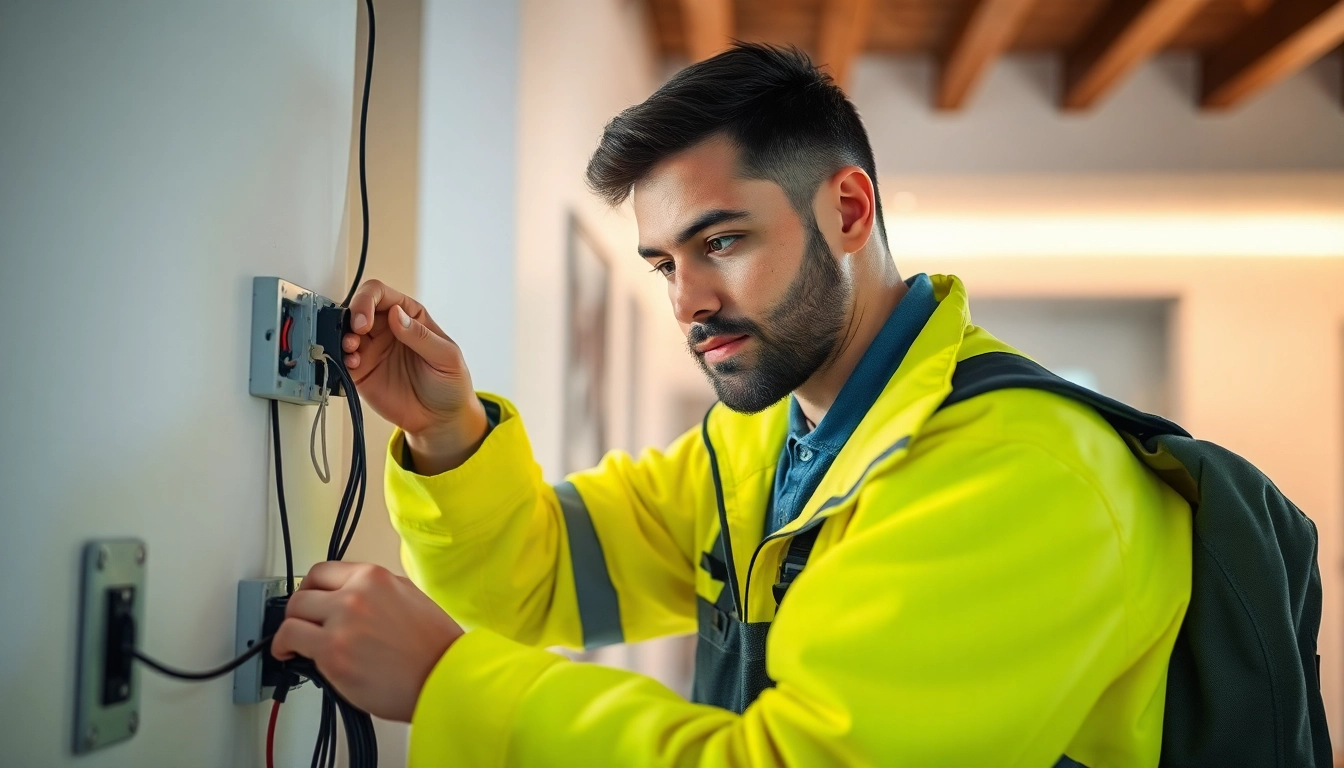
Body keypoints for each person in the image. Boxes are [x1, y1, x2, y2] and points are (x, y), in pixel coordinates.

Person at [272, 44, 1192, 767]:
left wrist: (446, 682)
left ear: (848, 209)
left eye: (721, 241)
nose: (686, 302)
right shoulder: (763, 442)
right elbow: (542, 579)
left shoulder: (1021, 473)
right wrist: (447, 433)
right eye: (666, 263)